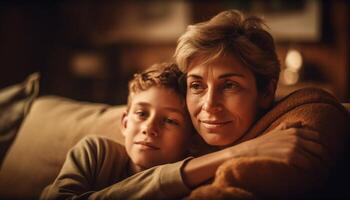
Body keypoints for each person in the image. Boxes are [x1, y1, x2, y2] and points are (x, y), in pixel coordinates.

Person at [40, 63, 195, 199]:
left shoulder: (195, 185)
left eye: (169, 120)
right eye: (141, 114)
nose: (149, 128)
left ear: (191, 138)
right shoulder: (96, 153)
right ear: (125, 123)